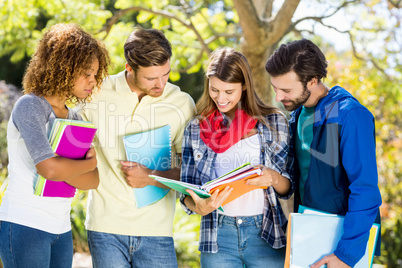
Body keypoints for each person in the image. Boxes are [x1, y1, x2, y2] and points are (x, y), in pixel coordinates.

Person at [80, 27, 195, 268]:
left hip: (157, 231)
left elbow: (190, 172)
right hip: (105, 228)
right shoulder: (95, 93)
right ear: (129, 68)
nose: (161, 84)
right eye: (151, 78)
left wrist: (151, 177)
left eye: (166, 74)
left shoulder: (181, 103)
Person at [0, 23, 110, 268]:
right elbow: (47, 169)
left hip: (60, 229)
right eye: (86, 73)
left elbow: (92, 181)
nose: (93, 81)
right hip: (24, 224)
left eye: (95, 74)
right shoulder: (30, 105)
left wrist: (67, 168)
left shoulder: (75, 118)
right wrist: (85, 164)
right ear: (64, 67)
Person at [265, 39, 382, 268]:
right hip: (308, 235)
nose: (278, 97)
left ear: (313, 80)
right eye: (275, 88)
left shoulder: (350, 115)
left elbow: (365, 189)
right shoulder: (296, 116)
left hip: (343, 245)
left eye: (286, 90)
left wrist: (346, 255)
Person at [180, 47, 294, 267]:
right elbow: (187, 191)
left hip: (266, 233)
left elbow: (289, 187)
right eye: (215, 90)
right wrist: (198, 206)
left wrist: (272, 177)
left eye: (229, 92)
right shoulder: (196, 128)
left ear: (244, 86)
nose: (220, 98)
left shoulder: (273, 122)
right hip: (217, 236)